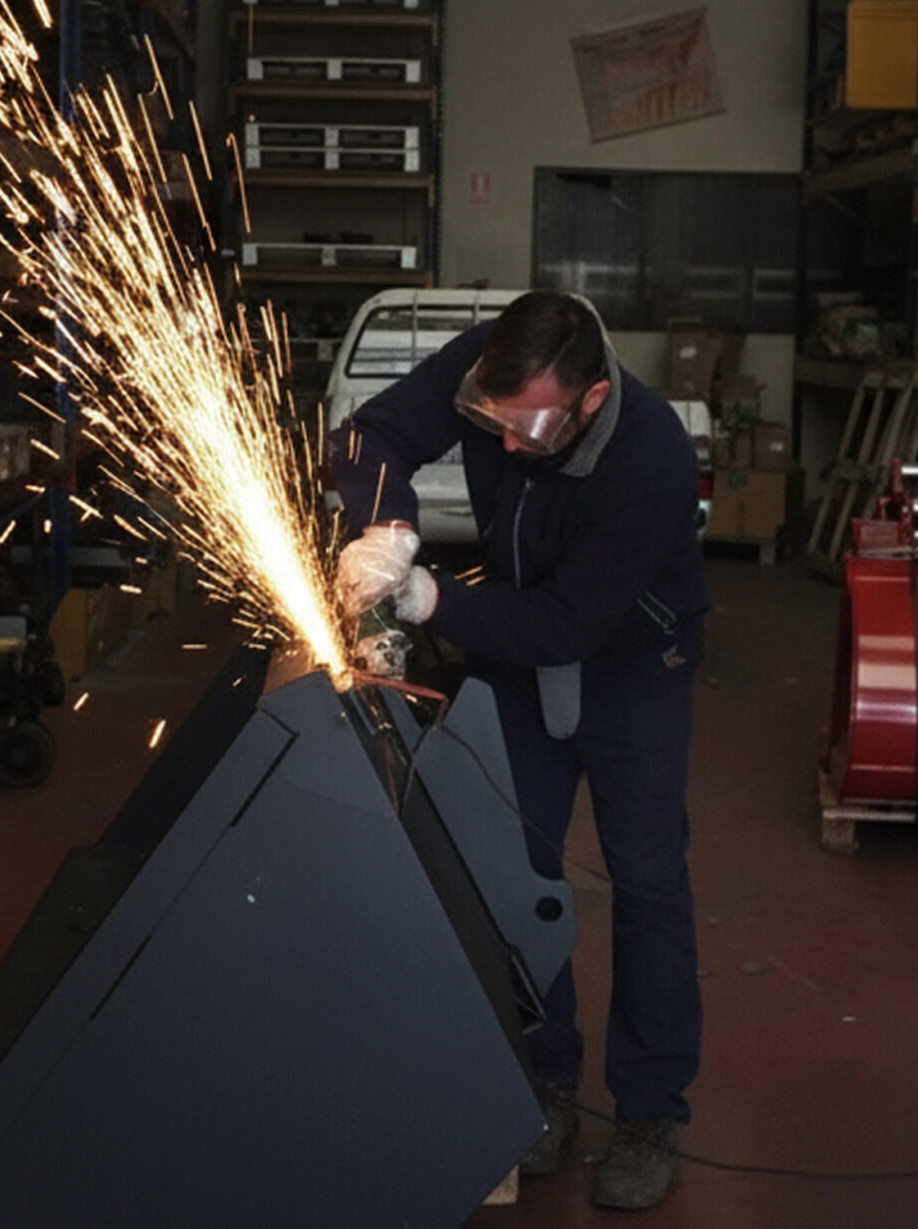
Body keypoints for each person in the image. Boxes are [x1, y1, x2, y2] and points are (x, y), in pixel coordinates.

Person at [327, 290, 708, 1211]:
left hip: (630, 663)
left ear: (586, 400)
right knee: (509, 872)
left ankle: (651, 1111)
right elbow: (371, 433)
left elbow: (567, 620)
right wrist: (388, 527)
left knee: (647, 881)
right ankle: (544, 1083)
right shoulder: (491, 366)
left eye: (527, 425)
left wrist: (427, 602)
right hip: (513, 639)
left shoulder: (653, 457)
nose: (504, 445)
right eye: (491, 420)